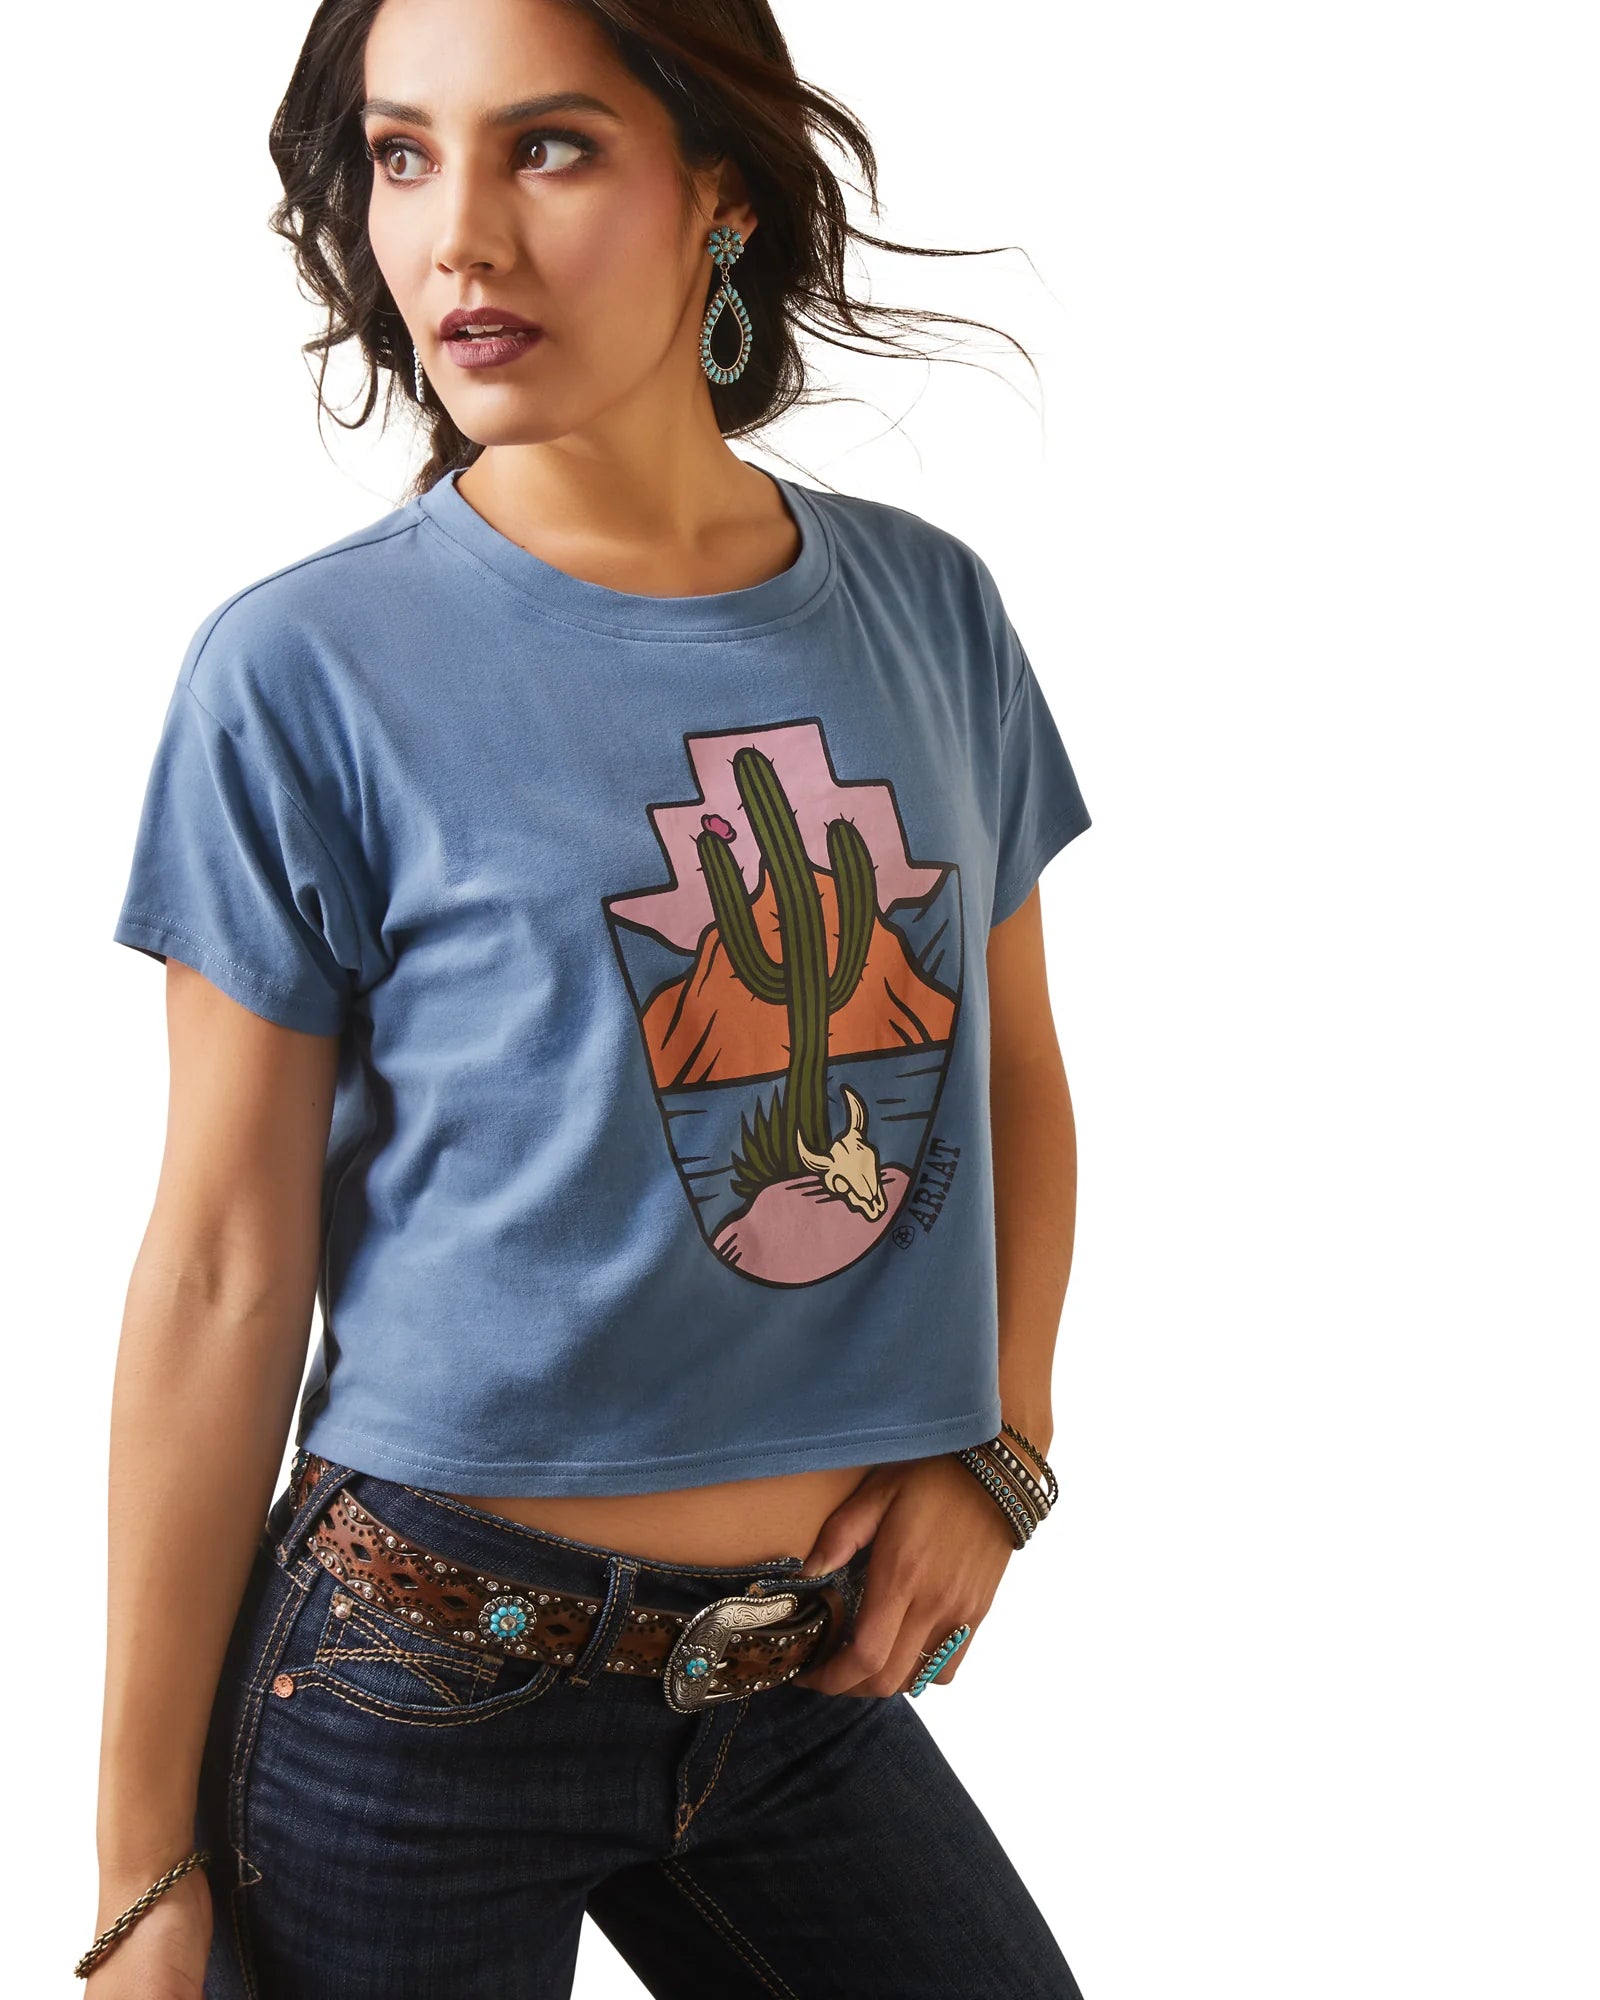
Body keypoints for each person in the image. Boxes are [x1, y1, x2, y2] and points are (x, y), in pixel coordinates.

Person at [83, 2, 1095, 1994]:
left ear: (721, 190)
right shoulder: (305, 671)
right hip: (409, 1685)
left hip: (800, 1678)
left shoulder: (927, 611)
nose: (456, 234)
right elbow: (218, 1269)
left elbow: (1015, 1079)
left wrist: (1002, 1443)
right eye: (401, 154)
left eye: (546, 146)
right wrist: (138, 1872)